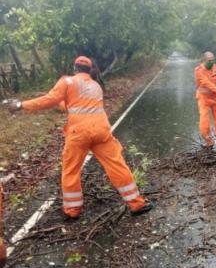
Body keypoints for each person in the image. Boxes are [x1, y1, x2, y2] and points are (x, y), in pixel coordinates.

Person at [5, 56, 153, 218]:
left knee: (71, 170)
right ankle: (137, 204)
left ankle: (72, 210)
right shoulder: (96, 86)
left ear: (74, 68)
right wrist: (59, 101)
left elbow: (50, 100)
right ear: (89, 70)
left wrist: (21, 105)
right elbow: (72, 104)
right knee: (117, 165)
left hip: (79, 134)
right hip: (101, 131)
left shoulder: (67, 81)